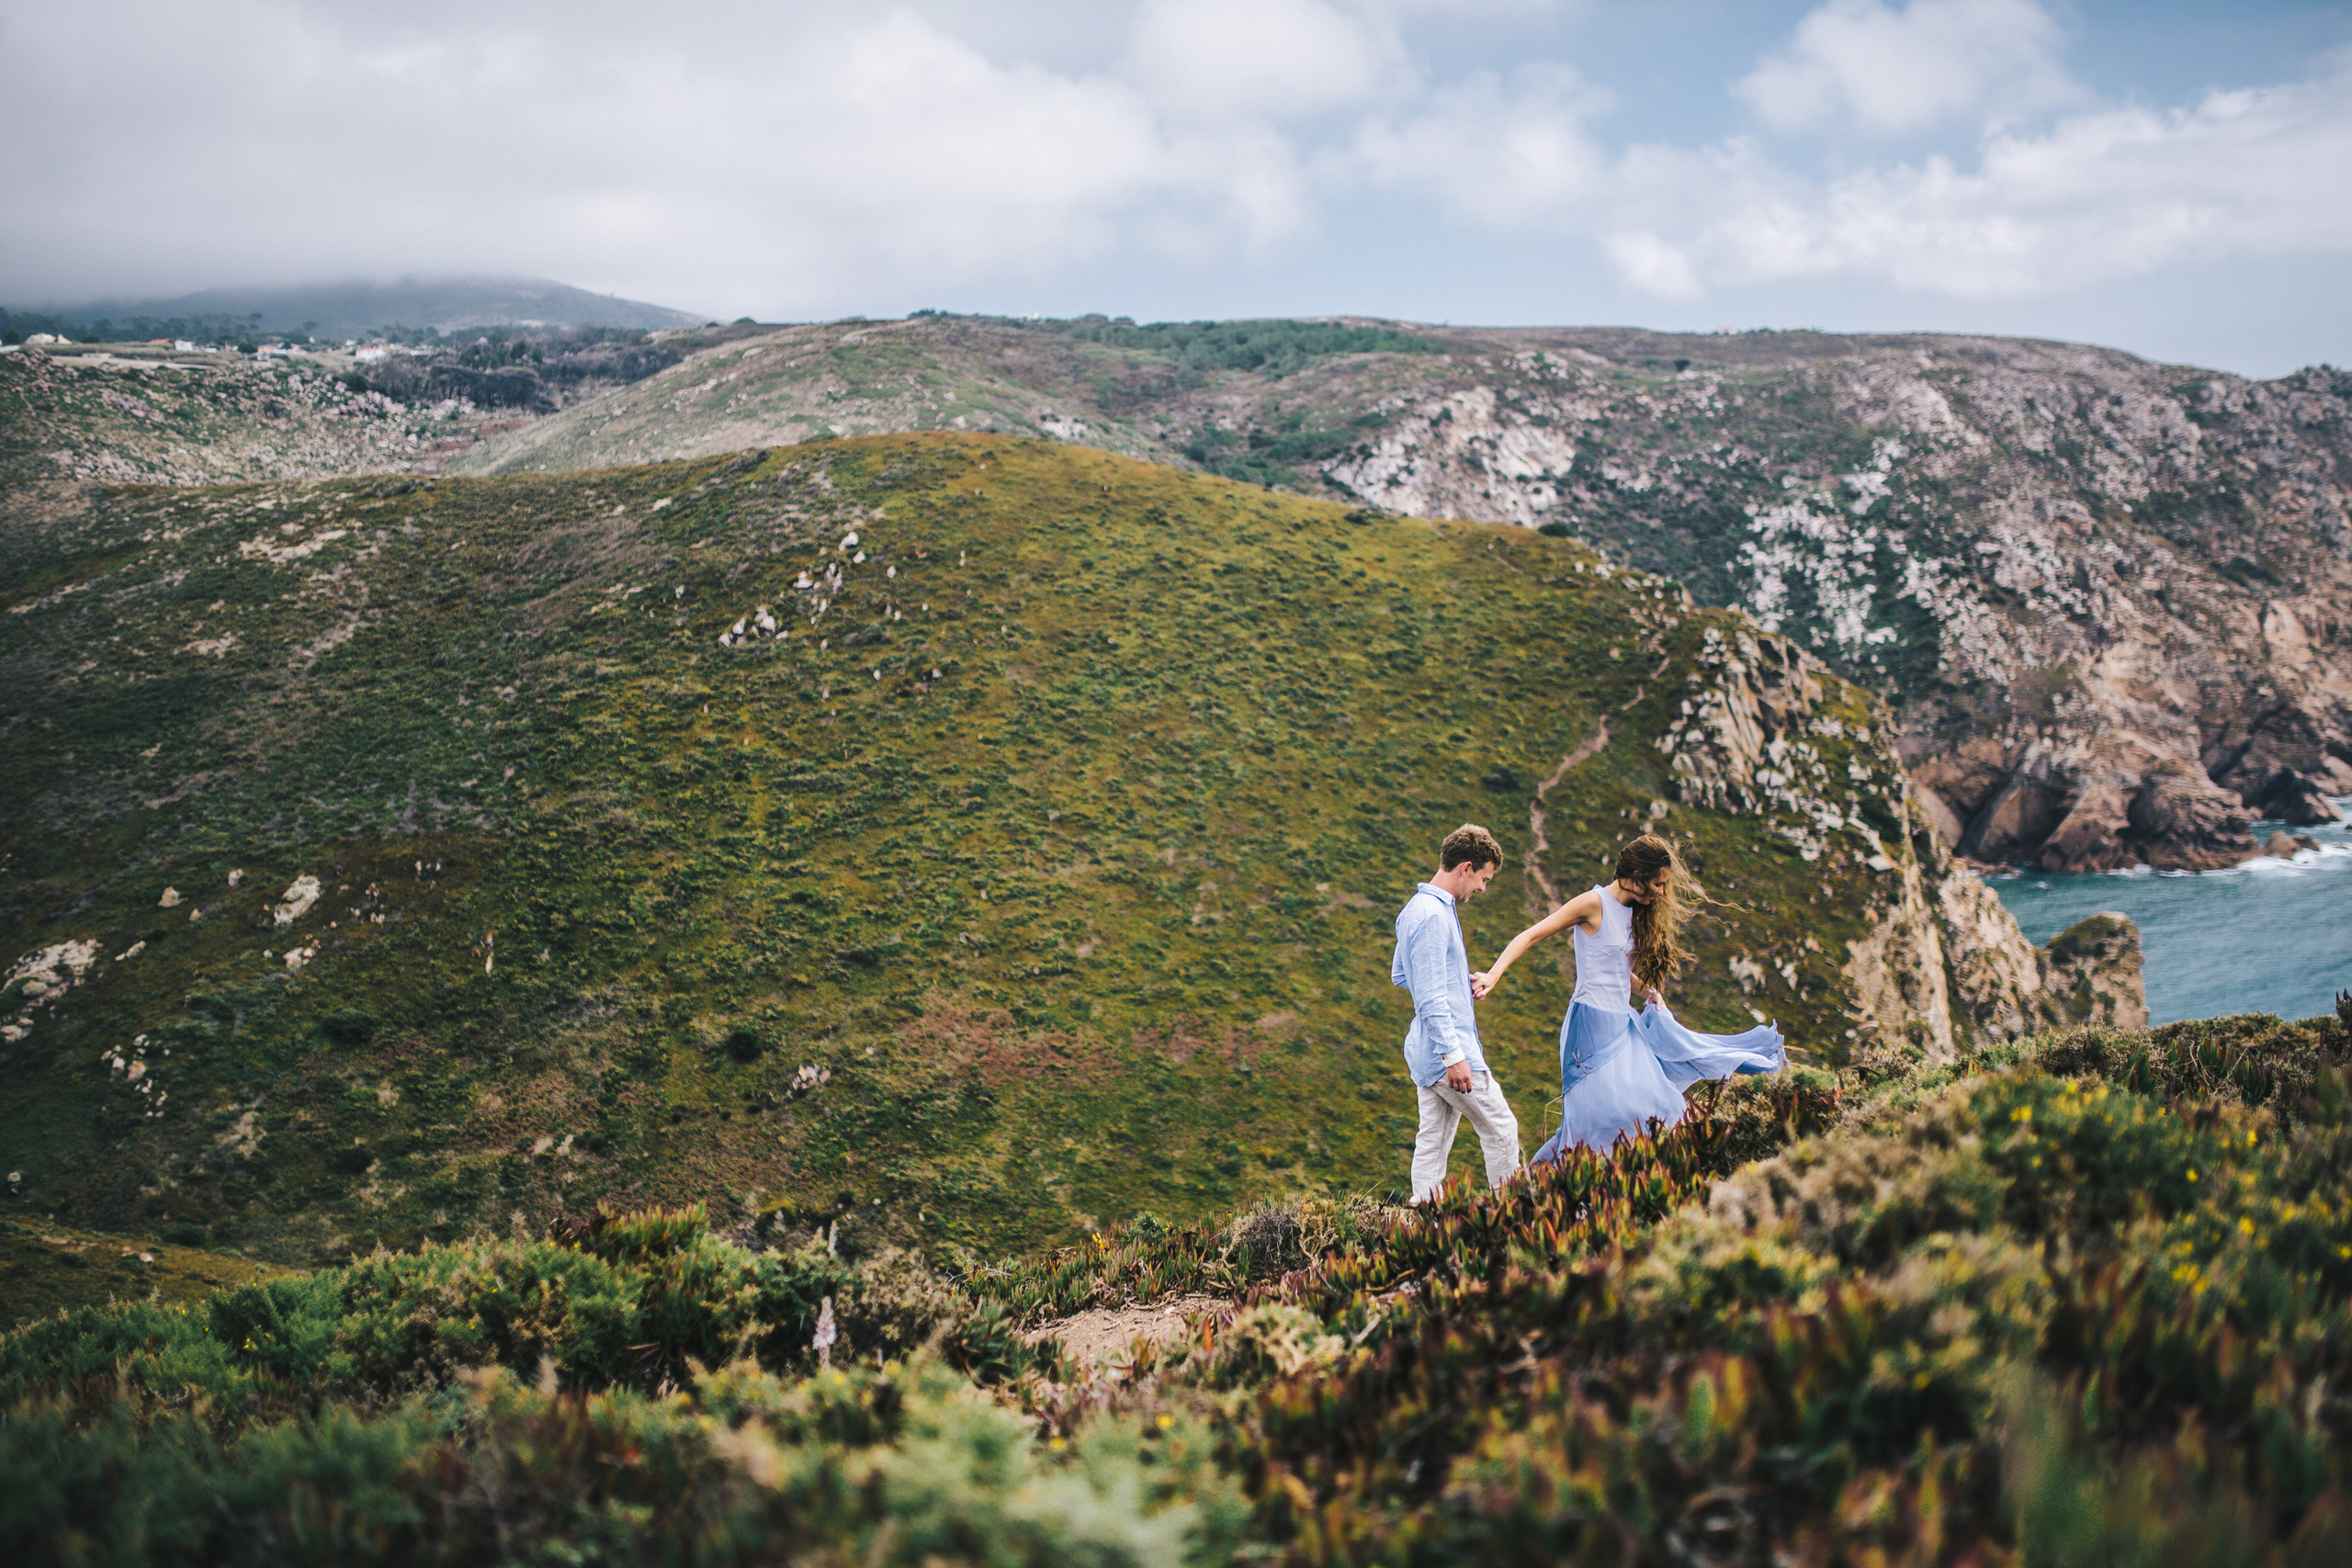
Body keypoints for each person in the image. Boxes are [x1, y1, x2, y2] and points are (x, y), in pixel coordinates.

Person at [1472, 832, 1781, 1160]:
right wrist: (1494, 974)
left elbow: (1616, 970)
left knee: (1660, 1106)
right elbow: (1531, 935)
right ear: (1637, 878)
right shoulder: (1593, 903)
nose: (1661, 892)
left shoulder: (1633, 911)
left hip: (1622, 1024)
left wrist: (1648, 991)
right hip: (1589, 1027)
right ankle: (1543, 1183)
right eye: (1658, 884)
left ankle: (1565, 1180)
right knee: (1591, 1122)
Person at [1391, 823, 1523, 1203]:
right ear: (1465, 867)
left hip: (1425, 1051)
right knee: (1501, 1130)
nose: (1482, 888)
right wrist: (1454, 1057)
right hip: (1448, 1052)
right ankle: (1512, 1214)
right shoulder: (1434, 916)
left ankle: (1422, 1222)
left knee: (1432, 1142)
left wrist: (1455, 981)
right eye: (1483, 878)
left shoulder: (1415, 909)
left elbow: (1402, 975)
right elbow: (1430, 996)